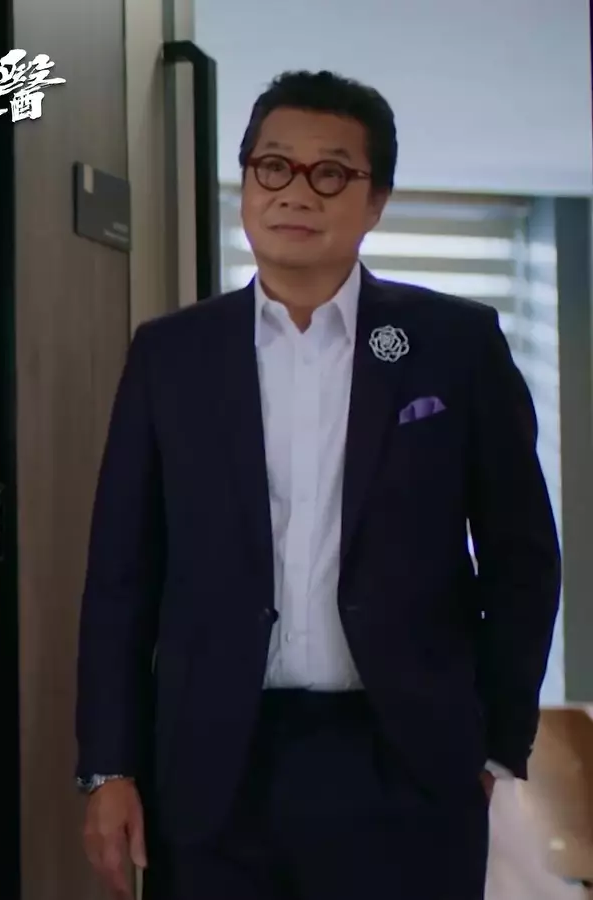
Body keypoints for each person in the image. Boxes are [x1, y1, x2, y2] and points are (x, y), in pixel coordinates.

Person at [74, 70, 561, 900]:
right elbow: (122, 576)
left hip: (403, 759)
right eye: (273, 166)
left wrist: (493, 747)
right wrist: (109, 767)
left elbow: (523, 559)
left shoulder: (455, 344)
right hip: (212, 765)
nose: (296, 192)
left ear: (376, 202)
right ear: (246, 182)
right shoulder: (172, 355)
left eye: (331, 173)